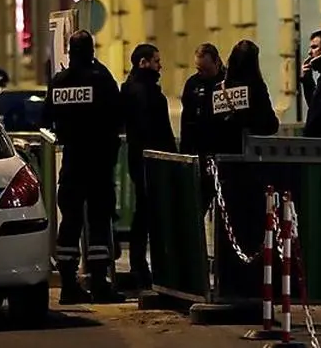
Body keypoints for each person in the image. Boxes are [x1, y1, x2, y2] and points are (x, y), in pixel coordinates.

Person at [41, 30, 126, 304]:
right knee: (99, 223)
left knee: (70, 225)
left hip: (72, 163)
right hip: (98, 163)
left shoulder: (59, 82)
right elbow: (117, 115)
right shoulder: (100, 79)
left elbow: (45, 118)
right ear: (91, 51)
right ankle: (100, 285)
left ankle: (68, 285)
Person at [119, 43, 176, 289]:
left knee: (144, 212)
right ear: (143, 62)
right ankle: (144, 267)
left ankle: (140, 264)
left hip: (140, 157)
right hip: (150, 160)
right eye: (156, 60)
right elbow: (154, 130)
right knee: (148, 213)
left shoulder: (133, 89)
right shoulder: (145, 93)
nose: (159, 65)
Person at [211, 40, 280, 154]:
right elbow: (270, 125)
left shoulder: (218, 88)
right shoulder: (256, 88)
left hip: (223, 156)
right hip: (250, 155)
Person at [178, 43, 226, 156]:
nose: (203, 74)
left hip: (222, 147)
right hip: (198, 147)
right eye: (199, 69)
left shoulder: (228, 82)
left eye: (207, 70)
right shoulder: (192, 84)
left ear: (217, 62)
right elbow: (186, 119)